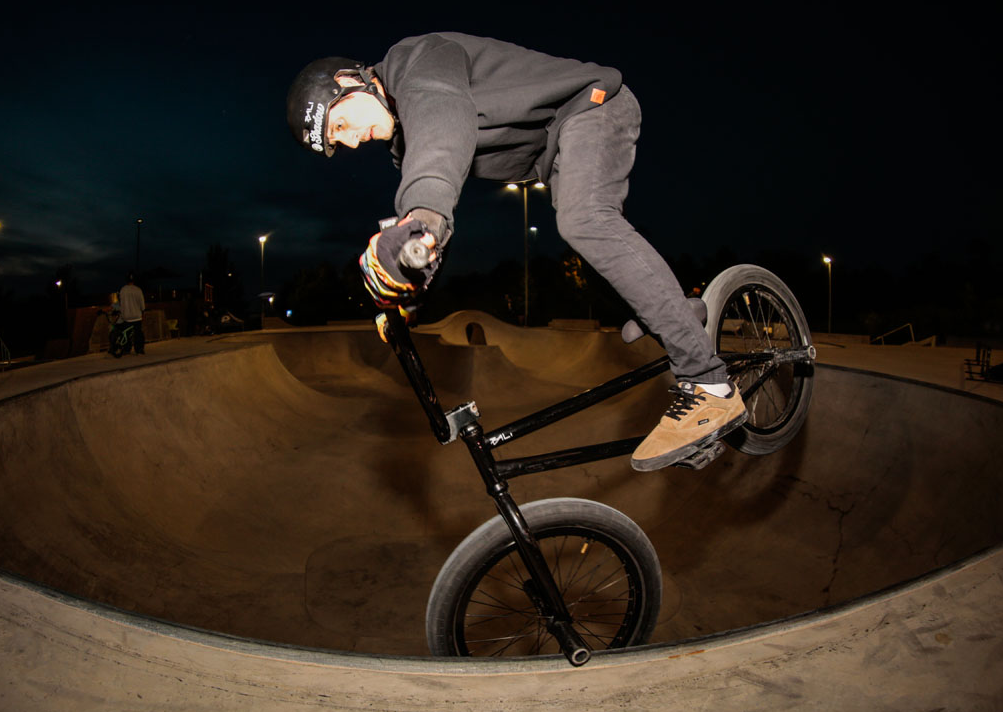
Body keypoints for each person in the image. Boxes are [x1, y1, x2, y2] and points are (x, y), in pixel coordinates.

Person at [287, 33, 746, 471]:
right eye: (338, 141)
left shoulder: (418, 61)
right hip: (557, 150)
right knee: (575, 229)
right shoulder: (405, 145)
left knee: (584, 220)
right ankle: (673, 313)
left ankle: (710, 384)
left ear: (350, 81)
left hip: (590, 108)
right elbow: (430, 226)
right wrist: (405, 297)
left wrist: (419, 219)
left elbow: (439, 125)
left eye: (341, 124)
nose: (350, 140)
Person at [118, 274, 147, 356]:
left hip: (127, 316)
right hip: (137, 316)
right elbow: (142, 304)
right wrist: (143, 313)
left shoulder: (123, 290)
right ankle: (139, 349)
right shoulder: (138, 290)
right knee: (138, 333)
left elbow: (121, 303)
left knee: (126, 333)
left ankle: (127, 349)